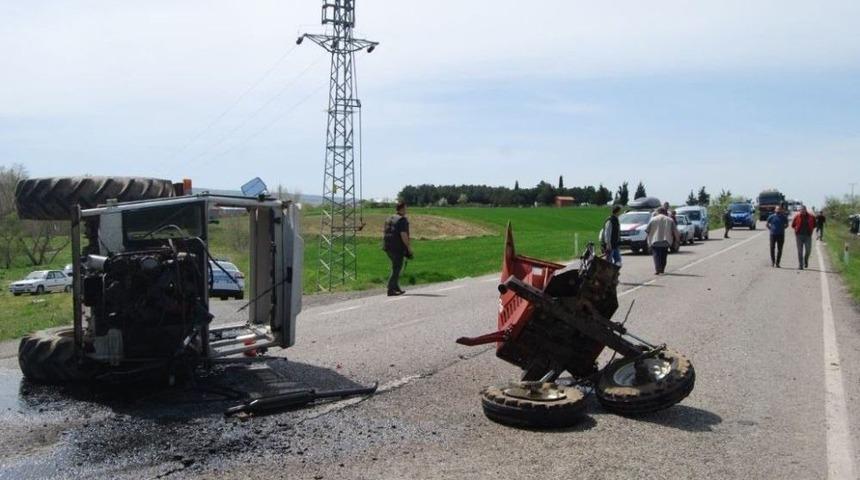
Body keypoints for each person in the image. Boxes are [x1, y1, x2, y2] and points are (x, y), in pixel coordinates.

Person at [382, 202, 413, 296]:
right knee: (397, 268)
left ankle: (396, 287)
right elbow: (403, 235)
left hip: (387, 246)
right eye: (405, 208)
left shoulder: (389, 218)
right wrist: (408, 248)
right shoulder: (402, 220)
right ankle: (390, 289)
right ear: (402, 209)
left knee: (396, 266)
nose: (406, 210)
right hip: (397, 247)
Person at [646, 207, 679, 275]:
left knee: (656, 255)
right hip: (666, 241)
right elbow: (675, 231)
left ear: (658, 212)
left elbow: (647, 230)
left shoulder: (653, 219)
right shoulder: (670, 220)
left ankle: (657, 269)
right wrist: (677, 241)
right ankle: (662, 269)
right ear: (665, 212)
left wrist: (648, 242)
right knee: (664, 255)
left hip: (655, 240)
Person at [791, 205, 816, 270]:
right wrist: (797, 229)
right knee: (800, 251)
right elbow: (793, 225)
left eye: (803, 209)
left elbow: (814, 225)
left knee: (808, 250)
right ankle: (800, 265)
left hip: (808, 236)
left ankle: (806, 260)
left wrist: (810, 230)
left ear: (805, 210)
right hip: (799, 236)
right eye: (801, 210)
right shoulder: (797, 216)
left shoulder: (811, 217)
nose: (802, 211)